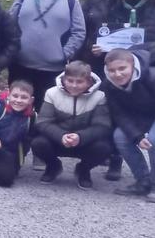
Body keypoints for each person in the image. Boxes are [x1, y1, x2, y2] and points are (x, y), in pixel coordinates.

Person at [102, 49, 155, 203]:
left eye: (122, 68)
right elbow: (119, 114)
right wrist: (137, 136)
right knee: (120, 137)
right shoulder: (109, 85)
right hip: (145, 110)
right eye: (112, 70)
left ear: (132, 65)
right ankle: (143, 181)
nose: (117, 74)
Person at [9, 0, 85, 110]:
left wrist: (64, 54)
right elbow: (9, 23)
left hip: (52, 69)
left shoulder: (70, 0)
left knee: (43, 109)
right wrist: (12, 48)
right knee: (17, 106)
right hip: (20, 65)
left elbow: (79, 31)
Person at [31, 61, 112, 189]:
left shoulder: (99, 96)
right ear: (64, 80)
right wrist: (61, 136)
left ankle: (83, 169)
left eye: (79, 82)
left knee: (104, 147)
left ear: (89, 82)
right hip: (58, 140)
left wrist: (80, 137)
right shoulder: (51, 93)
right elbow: (43, 122)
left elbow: (102, 126)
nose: (74, 85)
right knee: (38, 143)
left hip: (84, 142)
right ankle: (53, 166)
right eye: (70, 81)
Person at [81, 0, 127, 180]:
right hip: (95, 62)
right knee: (96, 107)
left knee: (119, 109)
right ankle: (96, 150)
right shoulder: (91, 1)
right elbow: (81, 30)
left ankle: (116, 156)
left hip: (123, 66)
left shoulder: (132, 3)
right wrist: (86, 52)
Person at [81, 0, 127, 74]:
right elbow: (81, 28)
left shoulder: (133, 2)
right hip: (92, 58)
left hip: (123, 61)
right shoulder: (92, 0)